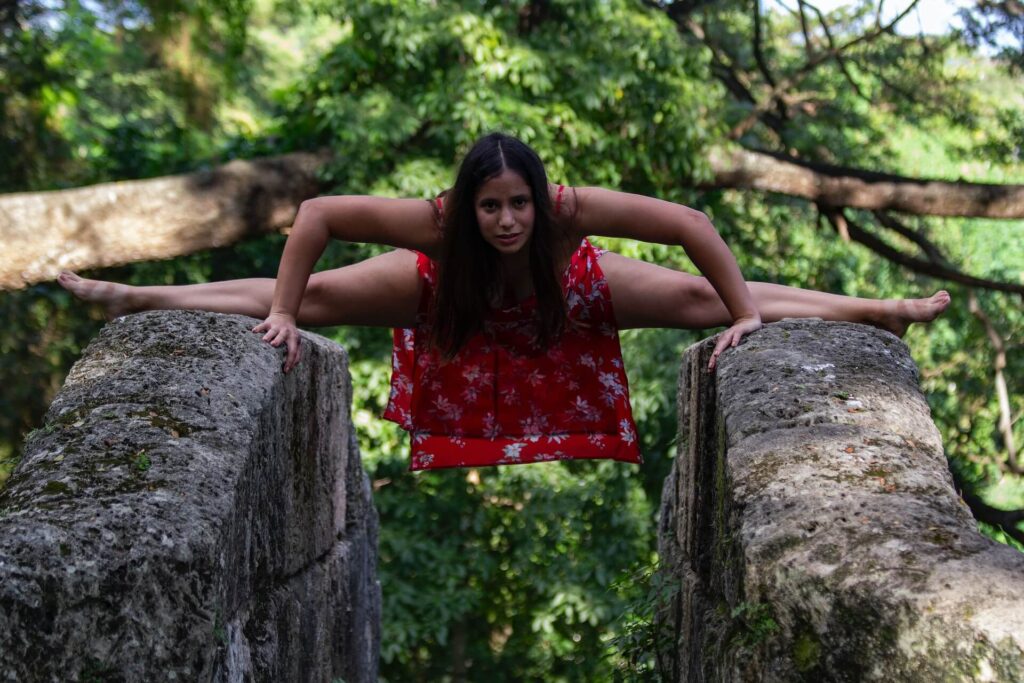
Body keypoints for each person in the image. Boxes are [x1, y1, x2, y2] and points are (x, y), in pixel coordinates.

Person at [58, 132, 950, 470]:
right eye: (491, 206)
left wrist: (747, 314)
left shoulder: (566, 217)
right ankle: (138, 294)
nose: (507, 218)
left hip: (570, 297)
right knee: (319, 295)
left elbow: (689, 223)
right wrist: (283, 312)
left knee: (701, 298)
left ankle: (872, 309)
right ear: (466, 205)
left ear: (540, 196)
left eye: (518, 202)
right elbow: (319, 216)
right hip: (451, 297)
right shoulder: (439, 226)